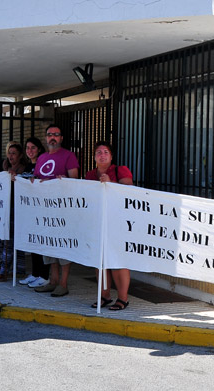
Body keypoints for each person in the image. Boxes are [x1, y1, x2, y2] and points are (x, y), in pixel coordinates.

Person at [85, 141, 133, 311]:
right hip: (99, 222)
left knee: (118, 261)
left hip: (118, 222)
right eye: (98, 152)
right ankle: (104, 296)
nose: (102, 155)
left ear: (111, 156)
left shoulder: (121, 170)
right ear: (94, 157)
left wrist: (111, 183)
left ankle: (123, 298)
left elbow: (130, 193)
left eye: (106, 152)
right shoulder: (90, 175)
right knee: (101, 262)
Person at [32, 124, 79, 297]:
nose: (52, 137)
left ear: (61, 138)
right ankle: (52, 281)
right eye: (50, 134)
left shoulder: (69, 155)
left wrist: (65, 180)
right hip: (46, 210)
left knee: (63, 247)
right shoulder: (42, 157)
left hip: (63, 210)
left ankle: (63, 284)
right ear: (46, 137)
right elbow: (37, 179)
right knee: (49, 246)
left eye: (56, 135)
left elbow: (74, 181)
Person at [17, 137, 50, 288]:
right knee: (33, 244)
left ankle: (44, 275)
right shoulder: (26, 167)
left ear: (39, 149)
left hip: (43, 211)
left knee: (43, 245)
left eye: (33, 148)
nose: (30, 151)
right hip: (30, 212)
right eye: (27, 148)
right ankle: (35, 273)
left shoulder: (43, 166)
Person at [0, 142, 27, 282]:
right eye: (9, 153)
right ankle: (5, 268)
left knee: (16, 240)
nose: (11, 156)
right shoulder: (4, 168)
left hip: (19, 209)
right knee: (6, 240)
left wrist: (17, 178)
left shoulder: (23, 170)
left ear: (20, 156)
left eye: (14, 153)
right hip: (5, 208)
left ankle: (17, 269)